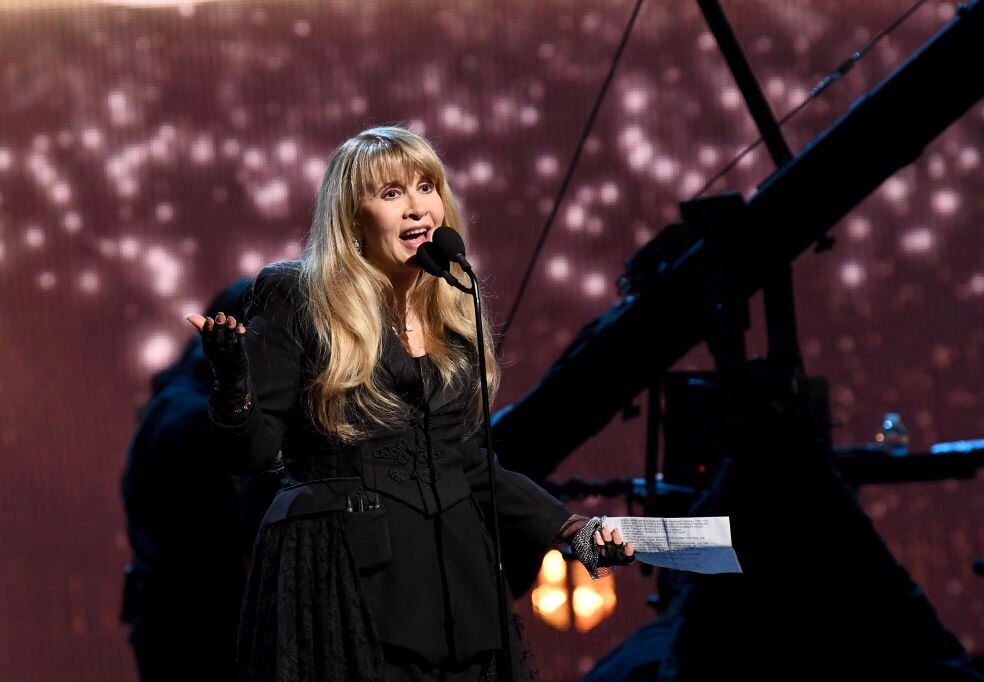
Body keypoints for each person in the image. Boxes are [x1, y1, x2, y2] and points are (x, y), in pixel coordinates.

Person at [186, 125, 636, 681]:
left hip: (454, 582)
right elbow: (251, 454)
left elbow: (468, 463)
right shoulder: (299, 294)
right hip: (345, 576)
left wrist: (570, 529)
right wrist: (233, 380)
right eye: (392, 193)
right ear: (353, 217)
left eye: (427, 187)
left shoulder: (451, 310)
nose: (417, 208)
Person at [120, 277, 281, 682]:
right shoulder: (195, 422)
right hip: (198, 632)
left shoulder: (175, 404)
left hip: (176, 622)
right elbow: (209, 545)